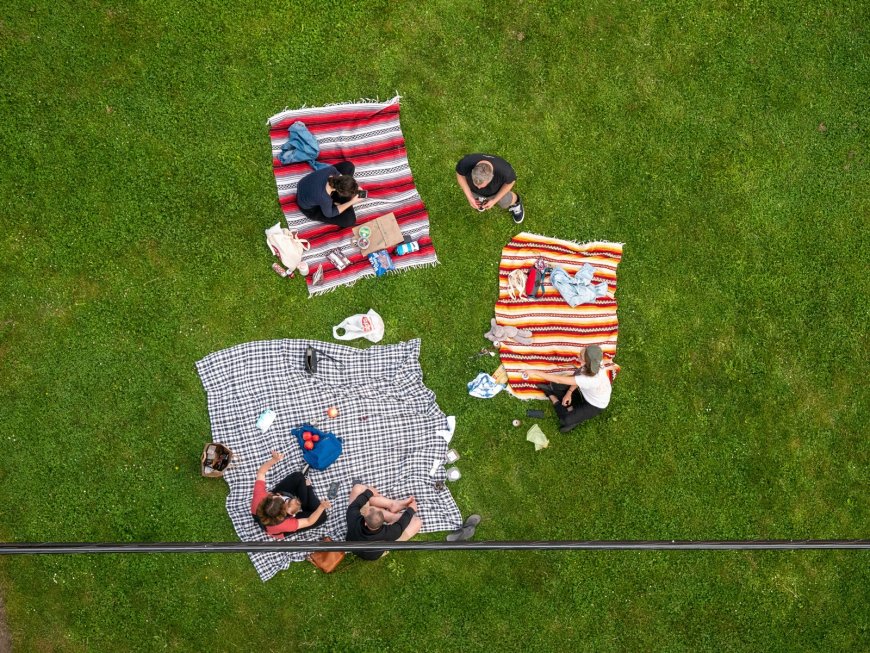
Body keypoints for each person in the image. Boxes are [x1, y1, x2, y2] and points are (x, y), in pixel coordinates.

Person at [531, 345, 612, 433]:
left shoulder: (591, 380)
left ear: (587, 362)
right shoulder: (595, 363)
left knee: (565, 420)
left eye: (581, 357)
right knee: (556, 385)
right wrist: (569, 393)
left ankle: (551, 395)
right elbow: (578, 378)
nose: (578, 357)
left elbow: (559, 379)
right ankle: (572, 410)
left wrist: (534, 372)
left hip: (594, 405)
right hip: (587, 393)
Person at [250, 451, 331, 538]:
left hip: (270, 514)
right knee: (322, 516)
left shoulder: (259, 497)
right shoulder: (284, 524)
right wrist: (321, 507)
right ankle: (307, 495)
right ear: (285, 513)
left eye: (277, 496)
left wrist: (273, 460)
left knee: (298, 476)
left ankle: (306, 500)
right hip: (280, 527)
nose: (280, 495)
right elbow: (308, 521)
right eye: (285, 502)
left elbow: (261, 472)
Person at [345, 483, 421, 560]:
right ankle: (392, 509)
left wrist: (369, 492)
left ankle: (393, 505)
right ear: (383, 523)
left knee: (359, 489)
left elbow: (354, 505)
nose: (371, 507)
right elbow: (400, 526)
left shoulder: (353, 517)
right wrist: (411, 510)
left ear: (365, 522)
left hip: (352, 545)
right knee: (417, 522)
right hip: (375, 553)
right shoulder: (389, 532)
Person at [455, 153, 525, 223]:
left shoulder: (505, 171)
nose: (479, 188)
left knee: (505, 202)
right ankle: (482, 202)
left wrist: (494, 200)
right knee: (476, 198)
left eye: (482, 185)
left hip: (496, 191)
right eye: (475, 183)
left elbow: (510, 183)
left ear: (491, 177)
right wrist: (469, 197)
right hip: (473, 190)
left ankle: (516, 202)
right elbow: (460, 175)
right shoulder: (466, 162)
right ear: (472, 171)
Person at [296, 161, 364, 229]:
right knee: (350, 220)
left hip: (305, 186)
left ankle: (344, 197)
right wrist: (352, 202)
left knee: (349, 166)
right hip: (309, 208)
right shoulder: (325, 198)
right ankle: (344, 201)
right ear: (339, 193)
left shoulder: (331, 170)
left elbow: (341, 177)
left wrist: (351, 185)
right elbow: (329, 214)